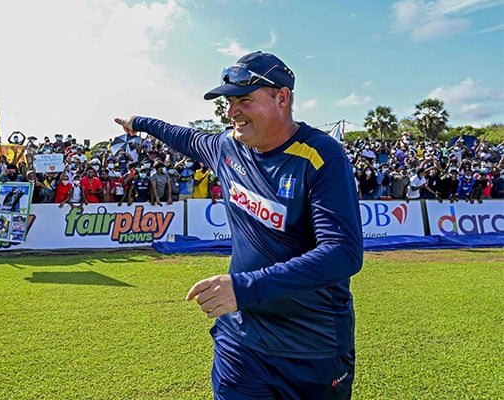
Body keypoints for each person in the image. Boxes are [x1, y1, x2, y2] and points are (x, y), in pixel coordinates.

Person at [115, 51, 362, 399]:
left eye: (244, 100)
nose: (232, 113)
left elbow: (343, 254)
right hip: (241, 341)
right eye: (229, 103)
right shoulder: (226, 146)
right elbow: (179, 135)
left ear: (282, 97)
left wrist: (244, 288)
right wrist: (138, 121)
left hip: (311, 347)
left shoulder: (322, 156)